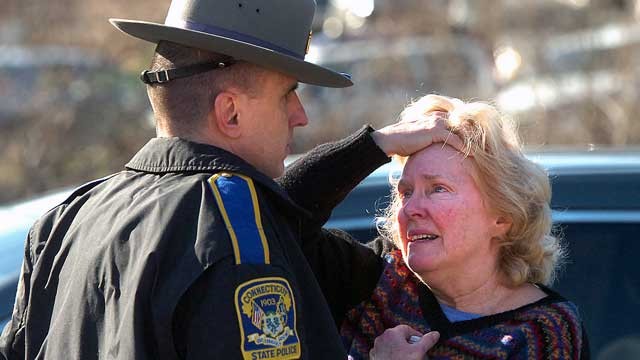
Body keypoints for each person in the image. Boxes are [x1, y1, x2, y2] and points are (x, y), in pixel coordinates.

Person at [0, 0, 451, 359]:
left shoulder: (65, 220)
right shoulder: (233, 229)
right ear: (230, 112)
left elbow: (288, 215)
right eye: (288, 95)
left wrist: (372, 147)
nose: (301, 115)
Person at [279, 94, 589, 359]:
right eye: (405, 192)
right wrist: (377, 143)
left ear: (502, 216)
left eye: (438, 188)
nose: (411, 209)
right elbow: (273, 215)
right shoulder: (374, 281)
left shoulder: (542, 332)